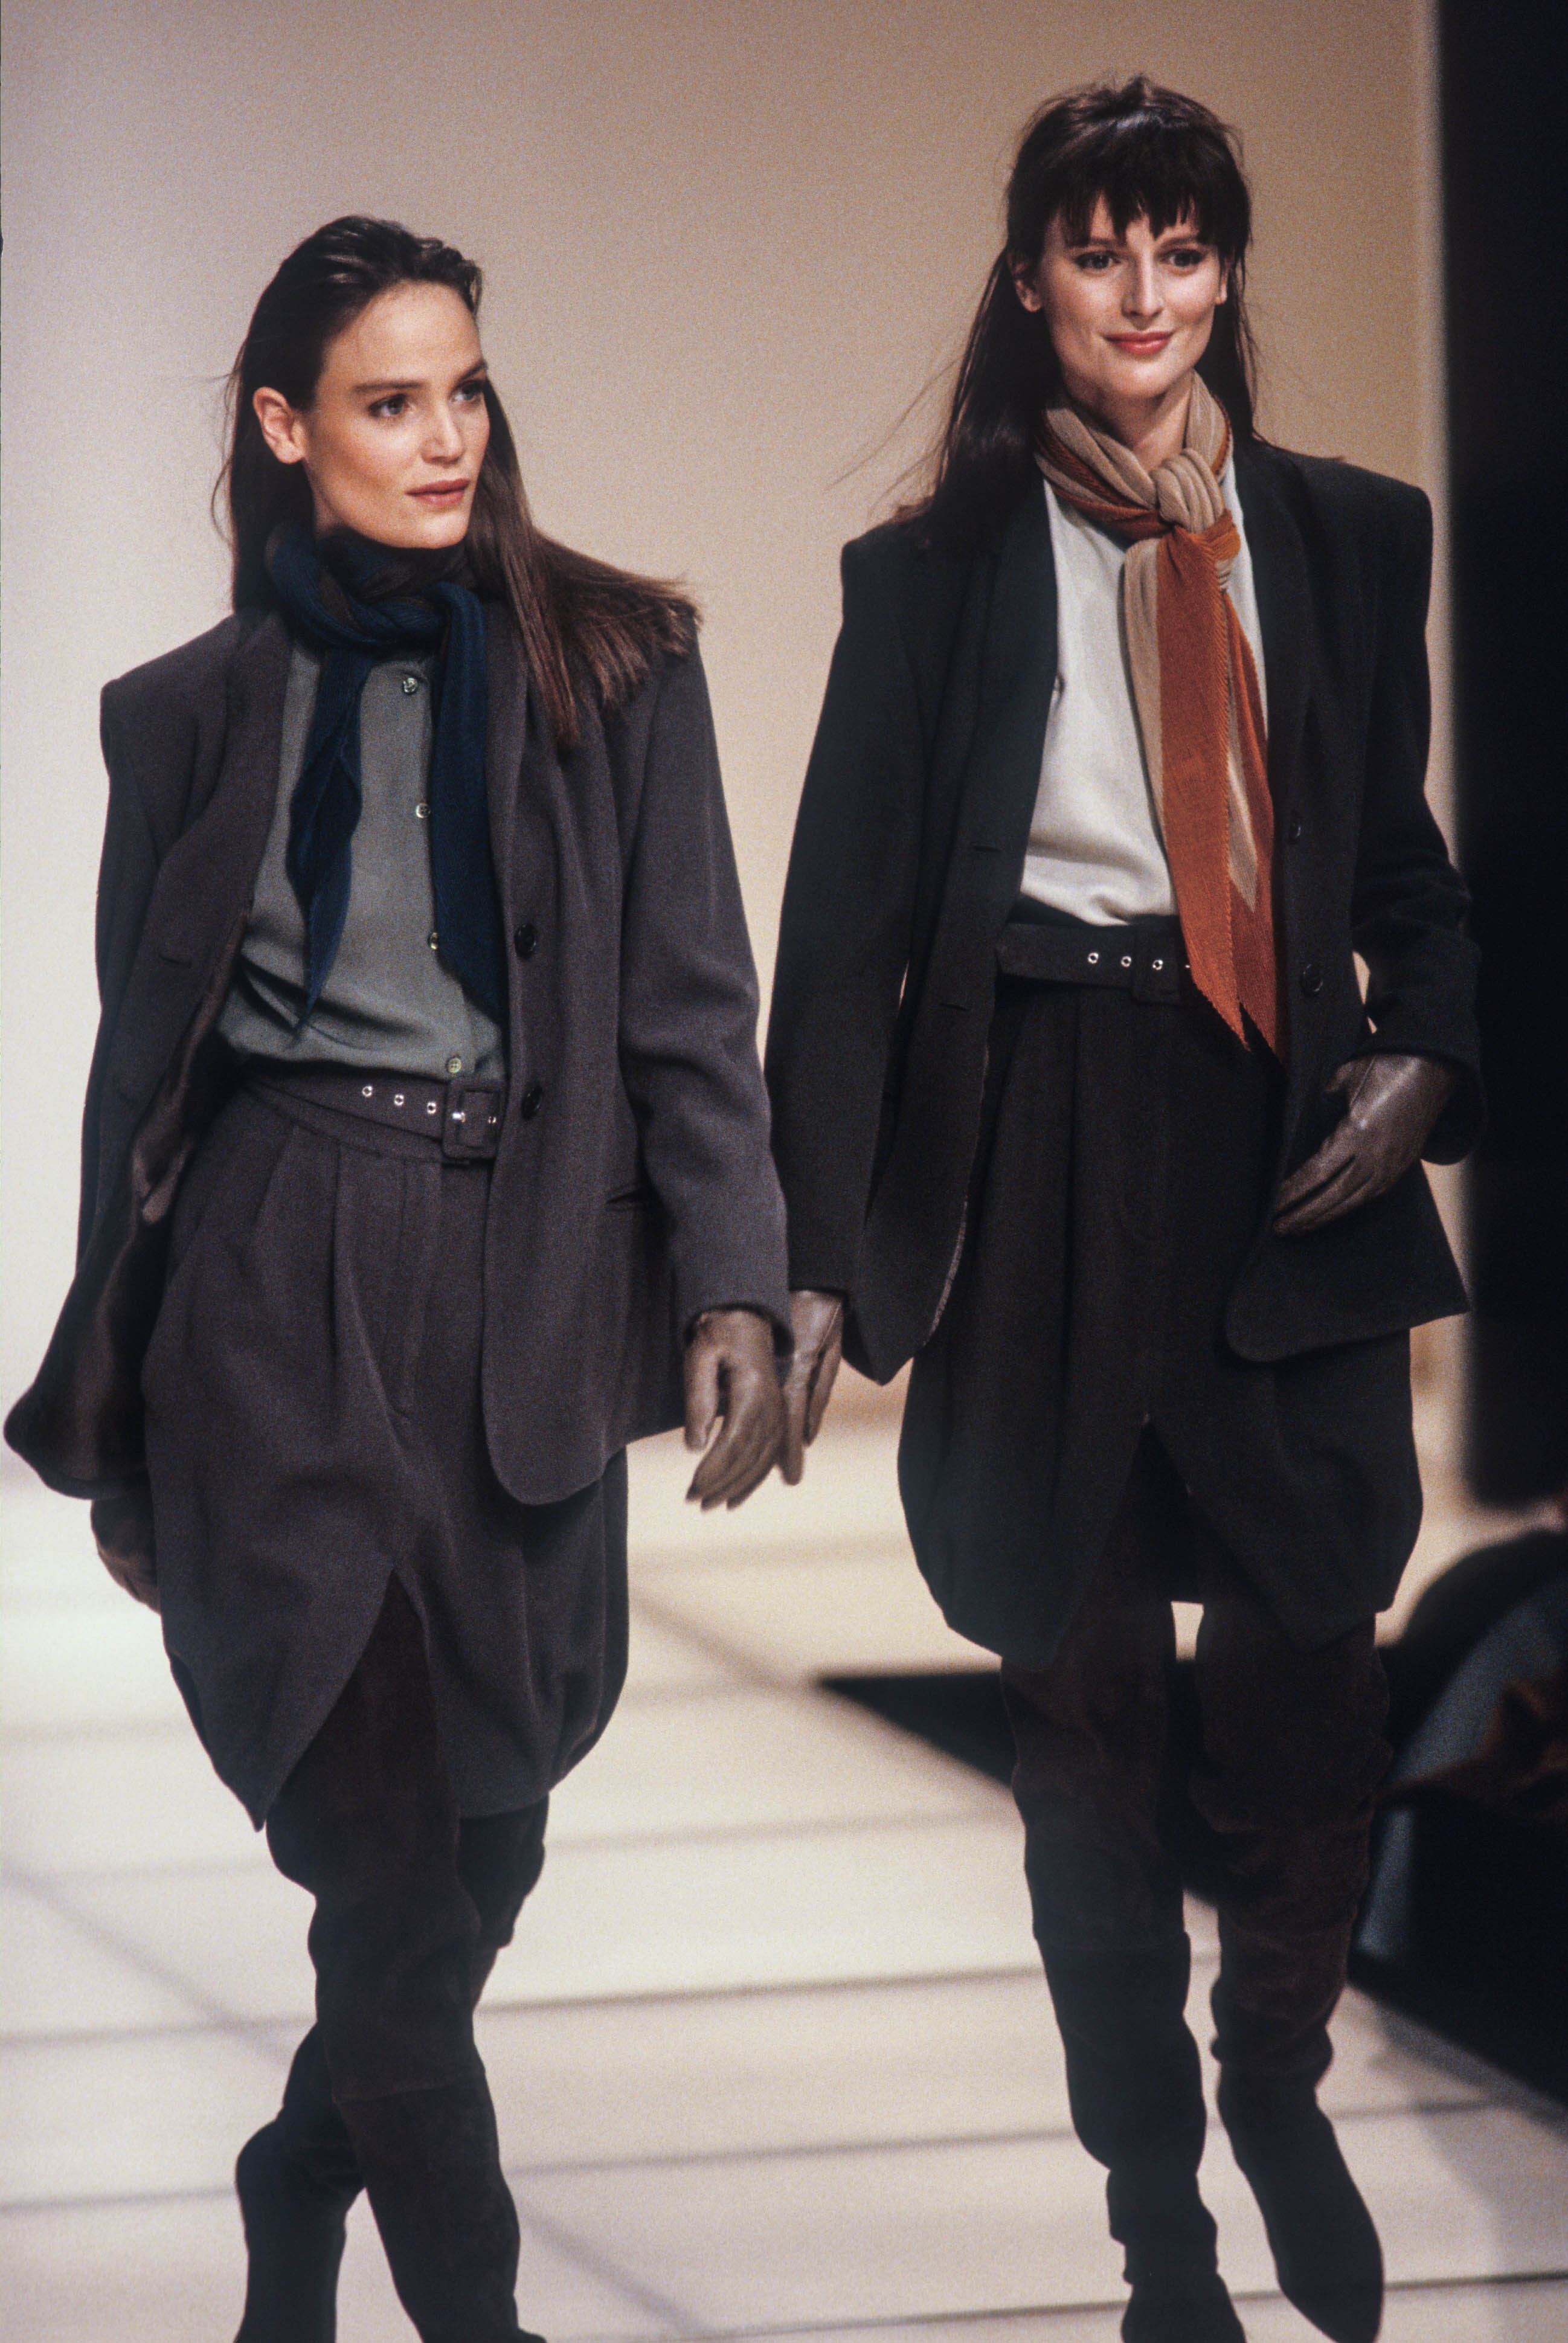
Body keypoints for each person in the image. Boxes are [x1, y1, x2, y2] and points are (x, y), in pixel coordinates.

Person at [5, 216, 790, 2343]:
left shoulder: (616, 665)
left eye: (464, 391)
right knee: (376, 1870)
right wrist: (124, 1429)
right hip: (272, 1286)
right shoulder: (183, 717)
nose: (446, 438)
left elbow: (691, 1014)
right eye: (388, 401)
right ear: (287, 426)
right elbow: (137, 1089)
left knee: (472, 1869)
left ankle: (296, 2175)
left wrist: (734, 1278)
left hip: (513, 1297)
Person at [767, 81, 1480, 2343]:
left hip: (1277, 1143)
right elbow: (841, 944)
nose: (1143, 294)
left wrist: (1424, 1056)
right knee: (1079, 1738)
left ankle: (1274, 2084)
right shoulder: (931, 576)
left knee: (1310, 1691)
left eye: (1179, 249)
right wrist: (803, 1258)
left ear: (1225, 271)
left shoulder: (1345, 537)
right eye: (1098, 253)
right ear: (1029, 284)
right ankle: (1153, 2210)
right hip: (1038, 1143)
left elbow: (1402, 876)